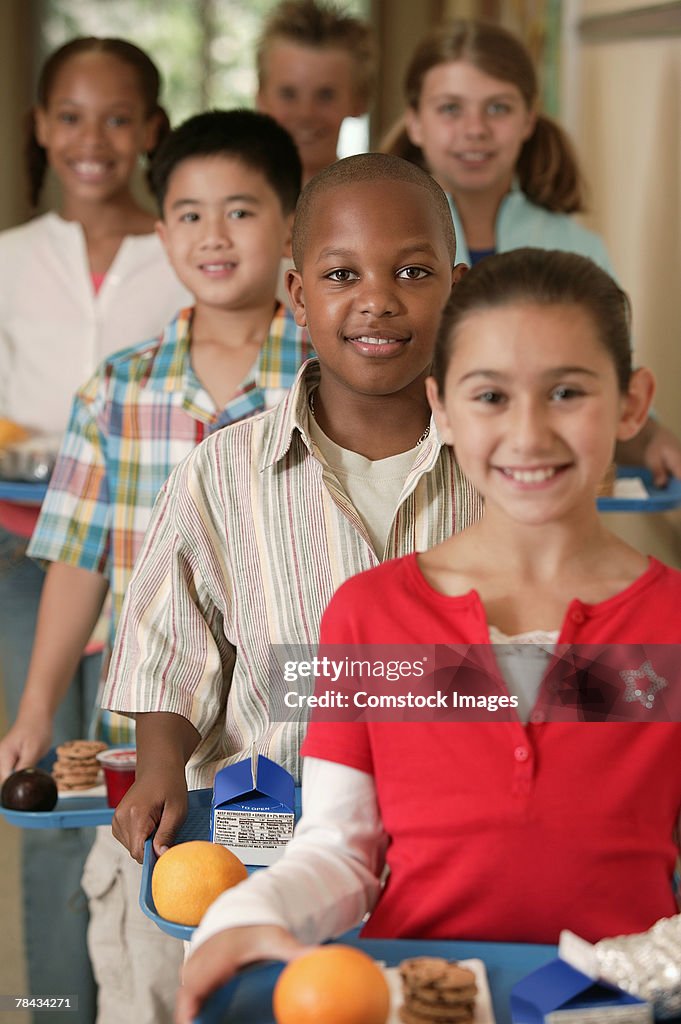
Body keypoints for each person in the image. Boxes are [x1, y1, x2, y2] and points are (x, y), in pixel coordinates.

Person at [174, 249, 681, 1024]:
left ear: (630, 403)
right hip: (409, 1001)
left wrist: (629, 974)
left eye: (567, 392)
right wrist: (240, 920)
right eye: (489, 396)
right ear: (441, 407)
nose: (527, 432)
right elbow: (342, 850)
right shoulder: (370, 616)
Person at [0, 108, 309, 1024]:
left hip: (285, 720)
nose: (212, 235)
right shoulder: (118, 388)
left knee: (279, 923)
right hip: (147, 729)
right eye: (186, 213)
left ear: (290, 223)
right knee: (144, 927)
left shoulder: (331, 373)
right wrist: (30, 706)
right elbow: (79, 560)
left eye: (241, 211)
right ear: (161, 226)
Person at [0, 36, 189, 1021]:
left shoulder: (190, 247)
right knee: (42, 780)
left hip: (153, 555)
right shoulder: (9, 258)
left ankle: (148, 991)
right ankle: (52, 1008)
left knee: (139, 778)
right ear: (39, 127)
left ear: (151, 131)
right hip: (24, 550)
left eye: (119, 117)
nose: (93, 139)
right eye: (70, 116)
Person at [382, 20, 681, 487]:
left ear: (528, 119)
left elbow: (605, 388)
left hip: (539, 484)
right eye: (451, 109)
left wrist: (656, 437)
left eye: (497, 108)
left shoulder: (578, 246)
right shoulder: (380, 238)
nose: (475, 129)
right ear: (416, 121)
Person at [255, 0, 376, 184]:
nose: (306, 113)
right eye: (288, 94)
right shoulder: (218, 201)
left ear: (360, 101)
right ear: (260, 98)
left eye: (326, 95)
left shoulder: (375, 205)